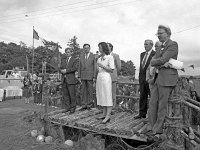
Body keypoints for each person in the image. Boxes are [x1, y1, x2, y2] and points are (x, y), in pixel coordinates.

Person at [148, 25, 179, 140]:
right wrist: (158, 51)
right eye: (157, 33)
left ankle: (158, 130)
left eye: (160, 33)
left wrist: (154, 62)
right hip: (158, 78)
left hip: (167, 79)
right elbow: (159, 60)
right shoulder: (161, 46)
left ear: (168, 33)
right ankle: (151, 127)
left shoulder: (173, 44)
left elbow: (162, 60)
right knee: (152, 103)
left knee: (161, 106)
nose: (158, 35)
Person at [134, 40, 155, 119]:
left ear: (151, 45)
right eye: (144, 44)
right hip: (142, 78)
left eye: (146, 44)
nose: (144, 46)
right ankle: (142, 114)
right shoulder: (142, 54)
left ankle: (152, 115)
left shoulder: (155, 54)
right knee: (142, 96)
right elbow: (141, 67)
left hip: (150, 78)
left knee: (152, 97)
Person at [96, 42, 115, 124]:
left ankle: (108, 116)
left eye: (100, 47)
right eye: (98, 47)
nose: (99, 49)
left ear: (104, 48)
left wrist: (102, 66)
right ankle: (103, 113)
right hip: (99, 77)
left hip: (106, 77)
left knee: (107, 95)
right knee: (101, 95)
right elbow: (97, 69)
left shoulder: (110, 57)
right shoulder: (99, 58)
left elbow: (111, 69)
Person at [60, 48, 79, 114]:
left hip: (71, 80)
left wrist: (66, 71)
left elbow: (75, 68)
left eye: (68, 52)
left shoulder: (75, 60)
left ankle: (73, 108)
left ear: (71, 52)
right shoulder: (63, 60)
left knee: (72, 95)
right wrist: (61, 70)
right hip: (64, 79)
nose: (67, 53)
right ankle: (67, 107)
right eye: (66, 52)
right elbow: (61, 67)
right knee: (66, 95)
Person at [78, 44, 96, 110]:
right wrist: (79, 76)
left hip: (90, 76)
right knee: (83, 91)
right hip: (83, 76)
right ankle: (84, 105)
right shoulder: (81, 56)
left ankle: (89, 105)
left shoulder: (93, 56)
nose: (86, 49)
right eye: (85, 48)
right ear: (83, 49)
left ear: (90, 48)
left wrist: (94, 76)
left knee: (90, 91)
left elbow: (94, 66)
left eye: (87, 48)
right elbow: (79, 66)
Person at [107, 43, 121, 108]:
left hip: (112, 77)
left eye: (107, 46)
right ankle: (106, 107)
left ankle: (112, 107)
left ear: (111, 47)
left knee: (112, 93)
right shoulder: (104, 56)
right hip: (105, 78)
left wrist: (114, 74)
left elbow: (119, 67)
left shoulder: (115, 56)